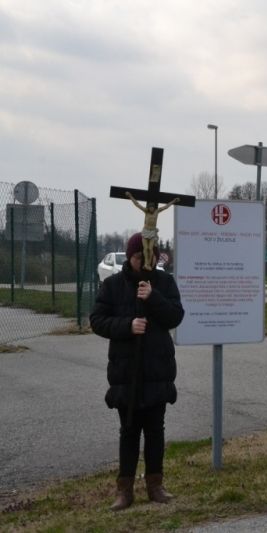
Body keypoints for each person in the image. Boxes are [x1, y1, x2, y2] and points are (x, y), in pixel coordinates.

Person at [90, 232, 185, 511]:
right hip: (126, 371)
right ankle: (125, 490)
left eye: (150, 257)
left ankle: (156, 485)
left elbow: (175, 315)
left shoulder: (164, 283)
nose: (144, 263)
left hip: (157, 370)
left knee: (155, 431)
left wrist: (153, 297)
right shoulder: (113, 285)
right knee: (129, 431)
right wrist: (127, 326)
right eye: (138, 257)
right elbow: (97, 320)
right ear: (129, 257)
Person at [125, 192, 180, 271]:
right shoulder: (146, 211)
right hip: (145, 231)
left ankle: (147, 263)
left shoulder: (156, 212)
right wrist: (130, 196)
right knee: (145, 248)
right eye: (150, 207)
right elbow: (137, 204)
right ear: (148, 208)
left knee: (150, 249)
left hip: (152, 232)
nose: (151, 209)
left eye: (153, 207)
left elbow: (166, 207)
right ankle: (146, 264)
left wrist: (173, 201)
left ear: (154, 208)